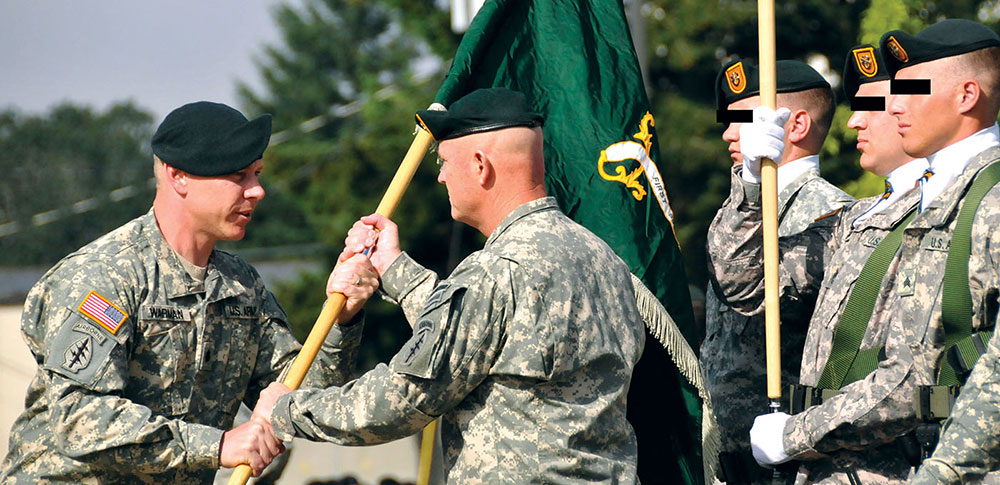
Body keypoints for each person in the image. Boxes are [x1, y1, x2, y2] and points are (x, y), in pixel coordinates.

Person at [251, 87, 645, 483]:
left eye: (443, 162)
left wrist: (287, 410)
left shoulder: (497, 271)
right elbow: (477, 337)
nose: (440, 177)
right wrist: (392, 266)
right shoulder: (605, 260)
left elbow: (402, 399)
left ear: (480, 166)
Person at [0, 101, 378, 482]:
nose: (257, 190)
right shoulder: (106, 276)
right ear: (178, 176)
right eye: (238, 176)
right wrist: (216, 446)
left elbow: (301, 398)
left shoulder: (242, 286)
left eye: (257, 174)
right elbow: (80, 416)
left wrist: (343, 315)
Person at [711, 44, 929, 482]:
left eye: (876, 105)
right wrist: (751, 185)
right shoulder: (859, 219)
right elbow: (744, 284)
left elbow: (914, 381)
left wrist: (795, 433)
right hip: (793, 450)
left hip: (873, 455)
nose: (855, 121)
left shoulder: (966, 206)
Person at [701, 58, 853, 483]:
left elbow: (748, 288)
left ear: (797, 125)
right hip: (726, 446)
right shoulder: (741, 203)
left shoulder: (831, 213)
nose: (729, 133)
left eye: (744, 120)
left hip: (784, 448)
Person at [877, 19, 1000, 484]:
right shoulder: (930, 198)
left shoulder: (993, 198)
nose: (893, 106)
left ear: (966, 95)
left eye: (911, 89)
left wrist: (944, 471)